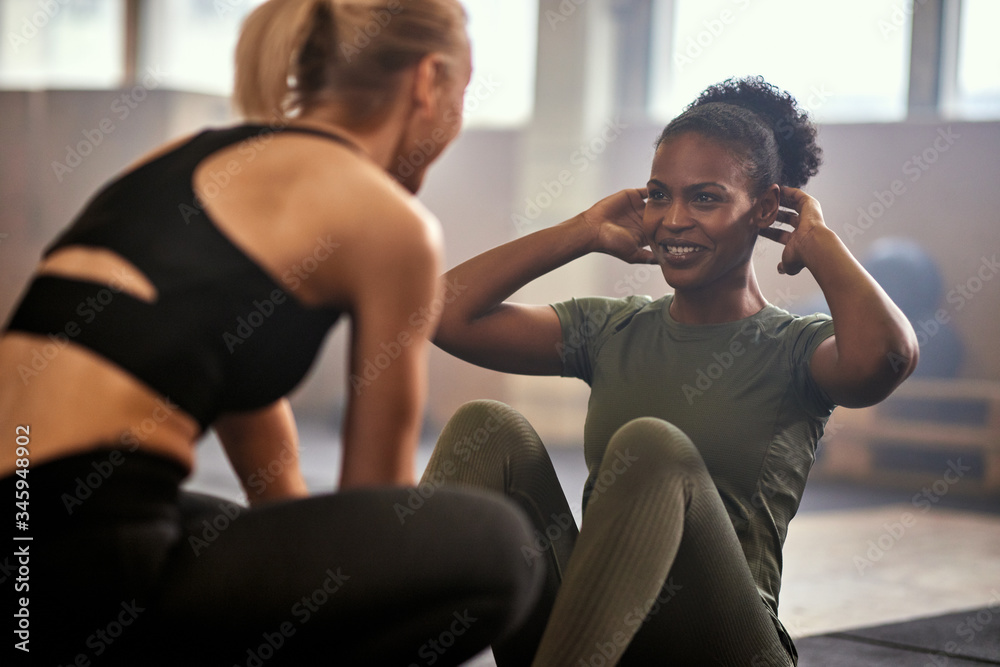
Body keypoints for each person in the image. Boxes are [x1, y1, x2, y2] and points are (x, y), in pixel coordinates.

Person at [0, 1, 541, 664]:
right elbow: (377, 512)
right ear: (428, 82)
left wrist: (295, 572)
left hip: (24, 553)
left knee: (216, 528)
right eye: (464, 90)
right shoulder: (395, 225)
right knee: (496, 547)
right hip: (92, 569)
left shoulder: (197, 158)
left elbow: (243, 398)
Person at [423, 76, 920, 666]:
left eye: (705, 198)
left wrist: (819, 240)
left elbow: (886, 359)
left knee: (652, 447)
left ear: (764, 210)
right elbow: (440, 314)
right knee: (487, 428)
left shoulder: (794, 347)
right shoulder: (613, 331)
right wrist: (579, 231)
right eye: (660, 195)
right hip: (588, 641)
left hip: (723, 648)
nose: (673, 219)